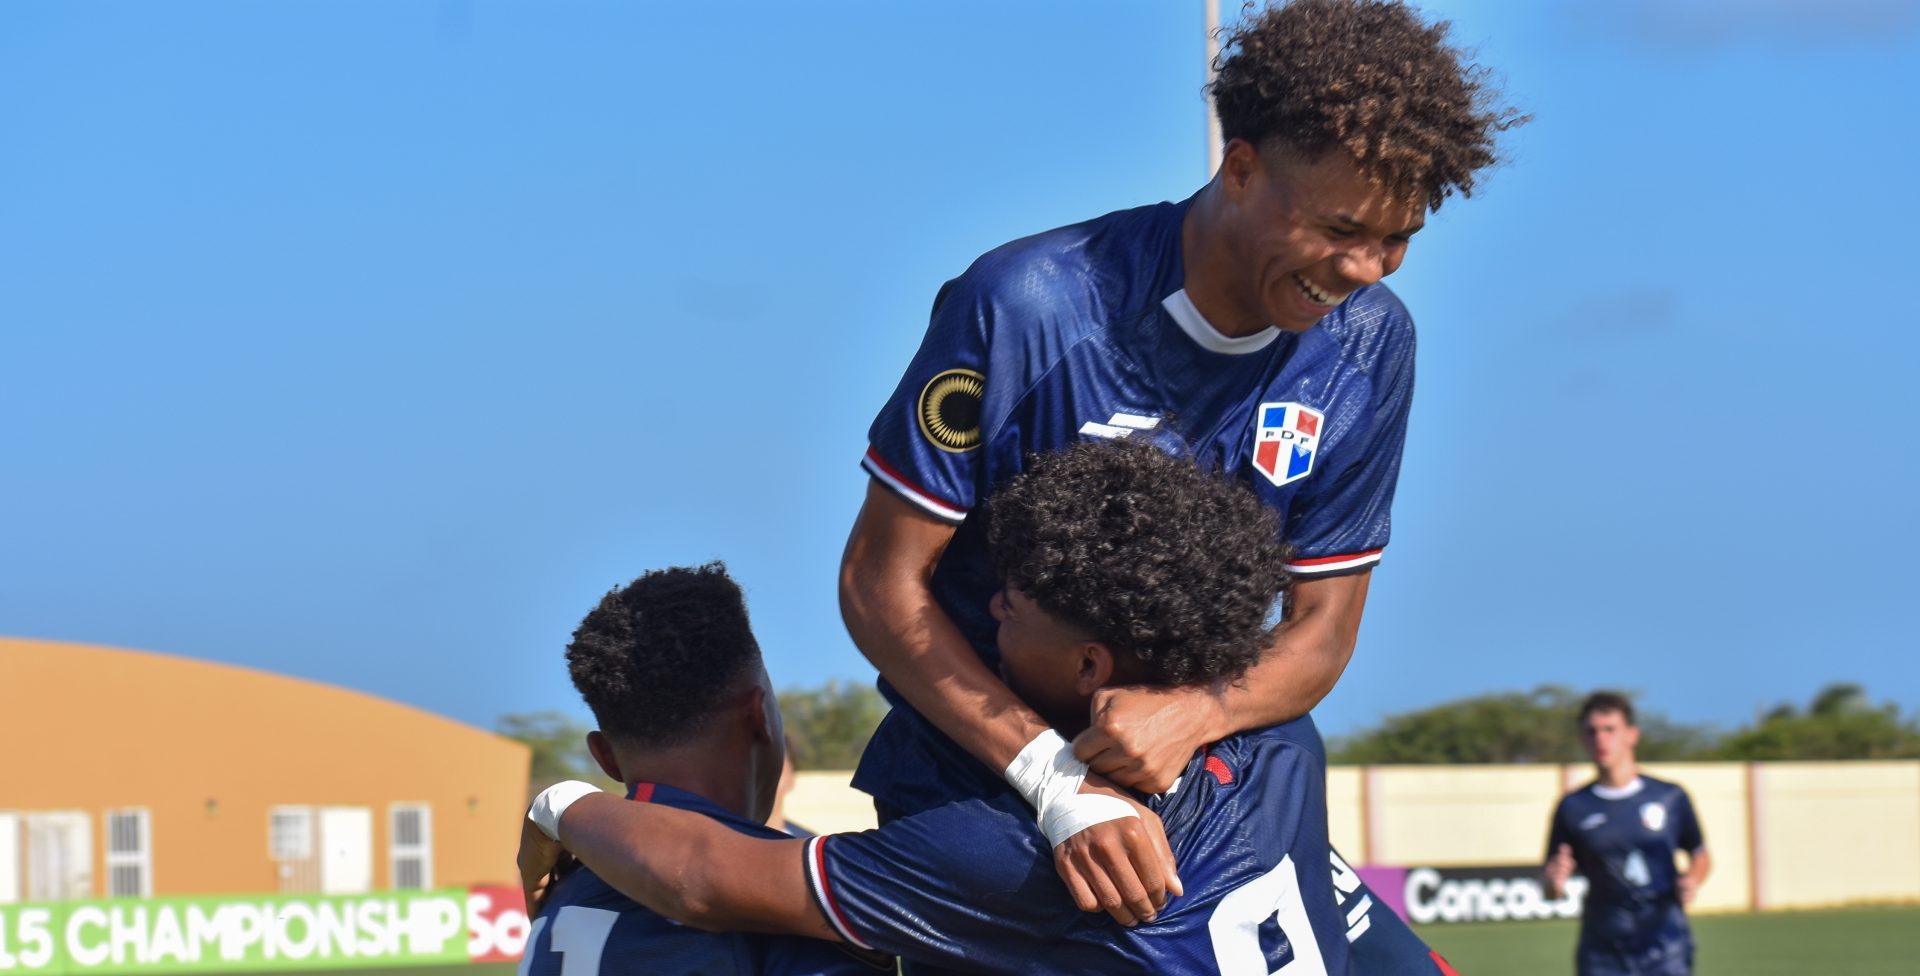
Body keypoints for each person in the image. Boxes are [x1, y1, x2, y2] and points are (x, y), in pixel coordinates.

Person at [838, 0, 1523, 927]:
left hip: (1202, 771)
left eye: (1397, 239)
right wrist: (1057, 781)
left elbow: (1322, 631)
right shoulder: (1029, 304)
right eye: (1339, 229)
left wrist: (1195, 712)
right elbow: (879, 583)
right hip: (981, 776)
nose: (1366, 268)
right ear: (1240, 168)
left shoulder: (1370, 346)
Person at [524, 441, 1456, 974]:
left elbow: (699, 877)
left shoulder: (1008, 857)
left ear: (1091, 663)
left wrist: (556, 805)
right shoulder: (1282, 742)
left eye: (1021, 599)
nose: (991, 603)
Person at [517, 564, 888, 975]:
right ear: (759, 717)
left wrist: (559, 803)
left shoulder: (565, 892)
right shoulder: (793, 908)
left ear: (605, 757)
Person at [1544, 693, 1711, 976]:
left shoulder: (1670, 797)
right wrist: (1553, 882)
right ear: (1582, 739)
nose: (1600, 739)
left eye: (1610, 729)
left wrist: (1692, 879)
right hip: (1603, 950)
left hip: (1665, 944)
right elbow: (1551, 885)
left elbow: (1700, 854)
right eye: (1592, 731)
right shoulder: (1572, 807)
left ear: (1632, 735)